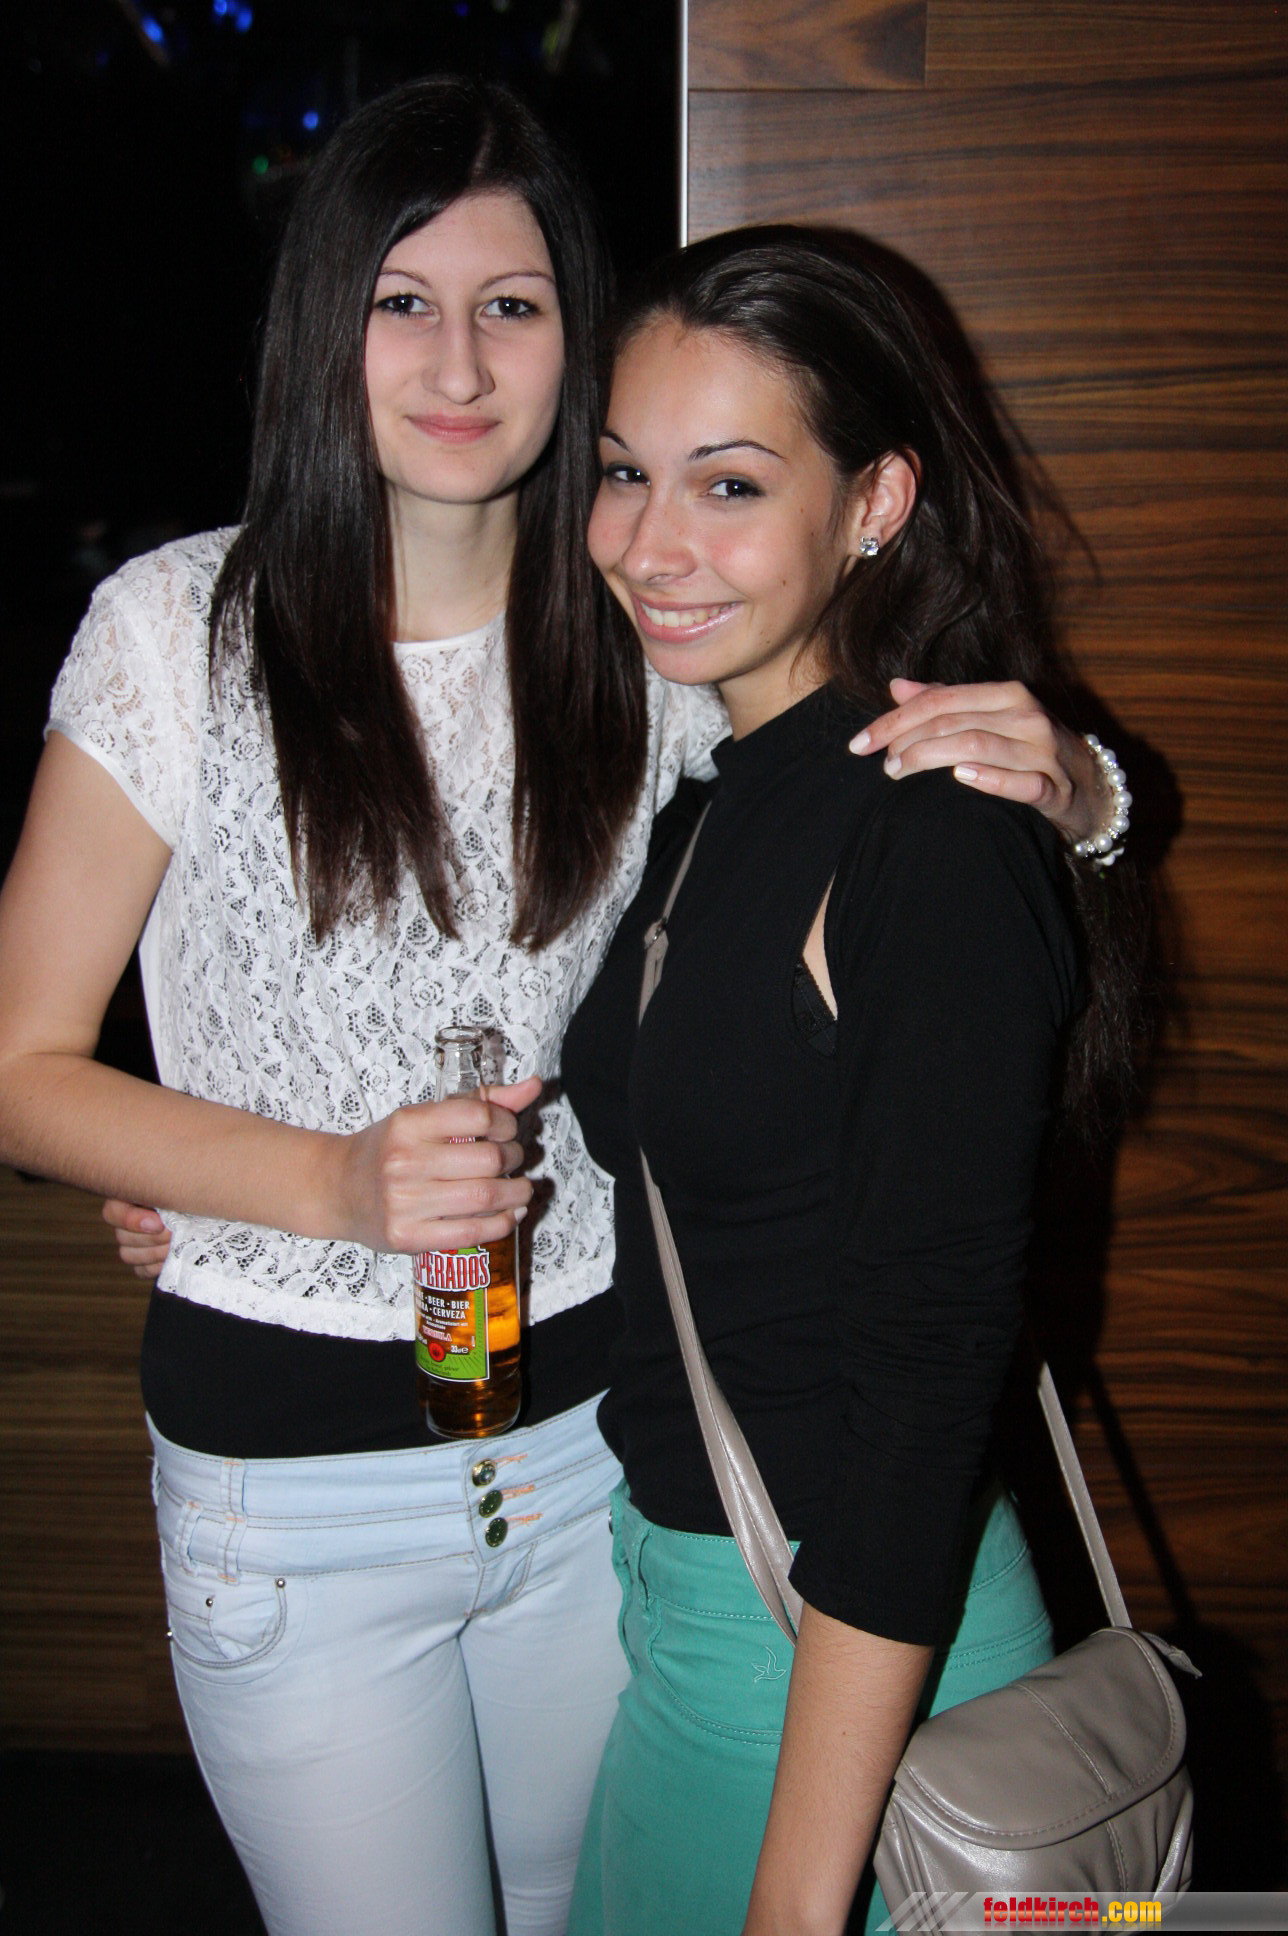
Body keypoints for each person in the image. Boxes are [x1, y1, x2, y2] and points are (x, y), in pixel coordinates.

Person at [0, 73, 1119, 1936]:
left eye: (511, 305)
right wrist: (297, 1182)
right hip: (298, 1485)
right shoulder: (180, 632)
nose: (458, 362)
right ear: (322, 325)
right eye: (402, 300)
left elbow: (884, 818)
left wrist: (1080, 791)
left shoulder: (646, 622)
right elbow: (21, 1068)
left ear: (571, 336)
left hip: (605, 1458)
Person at [559, 227, 1139, 1936]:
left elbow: (922, 1393)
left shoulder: (929, 828)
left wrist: (802, 1897)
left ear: (876, 502)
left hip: (831, 1655)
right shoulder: (718, 796)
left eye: (730, 485)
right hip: (698, 1611)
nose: (650, 543)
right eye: (624, 473)